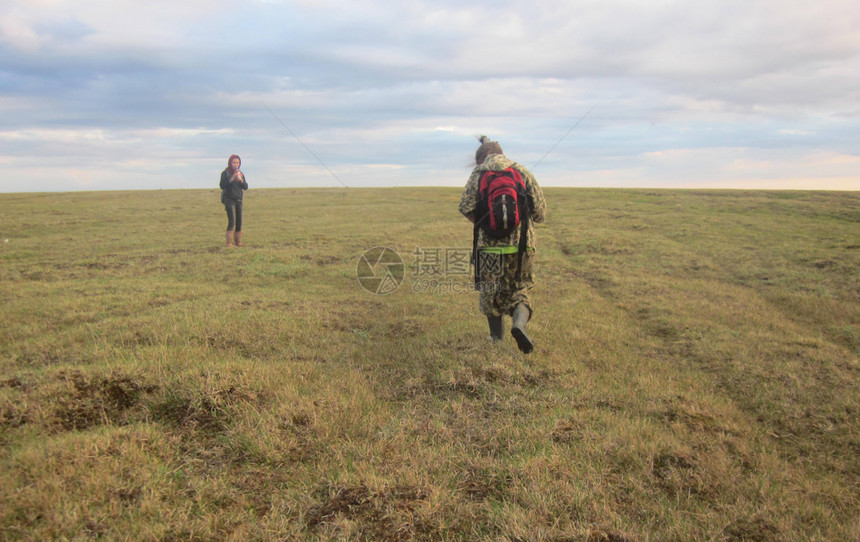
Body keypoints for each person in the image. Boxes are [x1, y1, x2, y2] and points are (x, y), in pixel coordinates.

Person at [459, 136, 546, 353]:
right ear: (502, 153)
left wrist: (486, 225)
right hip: (521, 246)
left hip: (489, 248)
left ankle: (496, 338)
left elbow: (465, 206)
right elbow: (540, 213)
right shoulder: (522, 171)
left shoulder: (479, 173)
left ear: (481, 158)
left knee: (490, 292)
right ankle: (519, 324)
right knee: (520, 288)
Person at [219, 154, 248, 247]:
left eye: (238, 163)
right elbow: (222, 186)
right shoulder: (225, 173)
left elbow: (246, 187)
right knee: (232, 221)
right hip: (229, 199)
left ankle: (238, 242)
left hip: (238, 199)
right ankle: (229, 243)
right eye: (234, 162)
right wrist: (232, 178)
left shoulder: (241, 173)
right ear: (230, 163)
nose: (236, 165)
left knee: (239, 222)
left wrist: (241, 180)